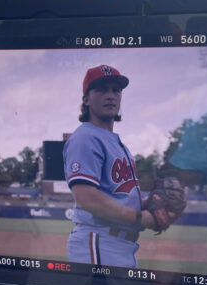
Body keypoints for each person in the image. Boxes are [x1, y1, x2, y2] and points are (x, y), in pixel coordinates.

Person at [63, 64, 168, 268]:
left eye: (116, 90)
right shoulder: (86, 137)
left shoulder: (118, 144)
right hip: (99, 242)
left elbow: (118, 197)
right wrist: (142, 218)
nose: (110, 95)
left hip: (121, 245)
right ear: (86, 100)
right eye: (102, 89)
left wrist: (152, 206)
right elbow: (87, 199)